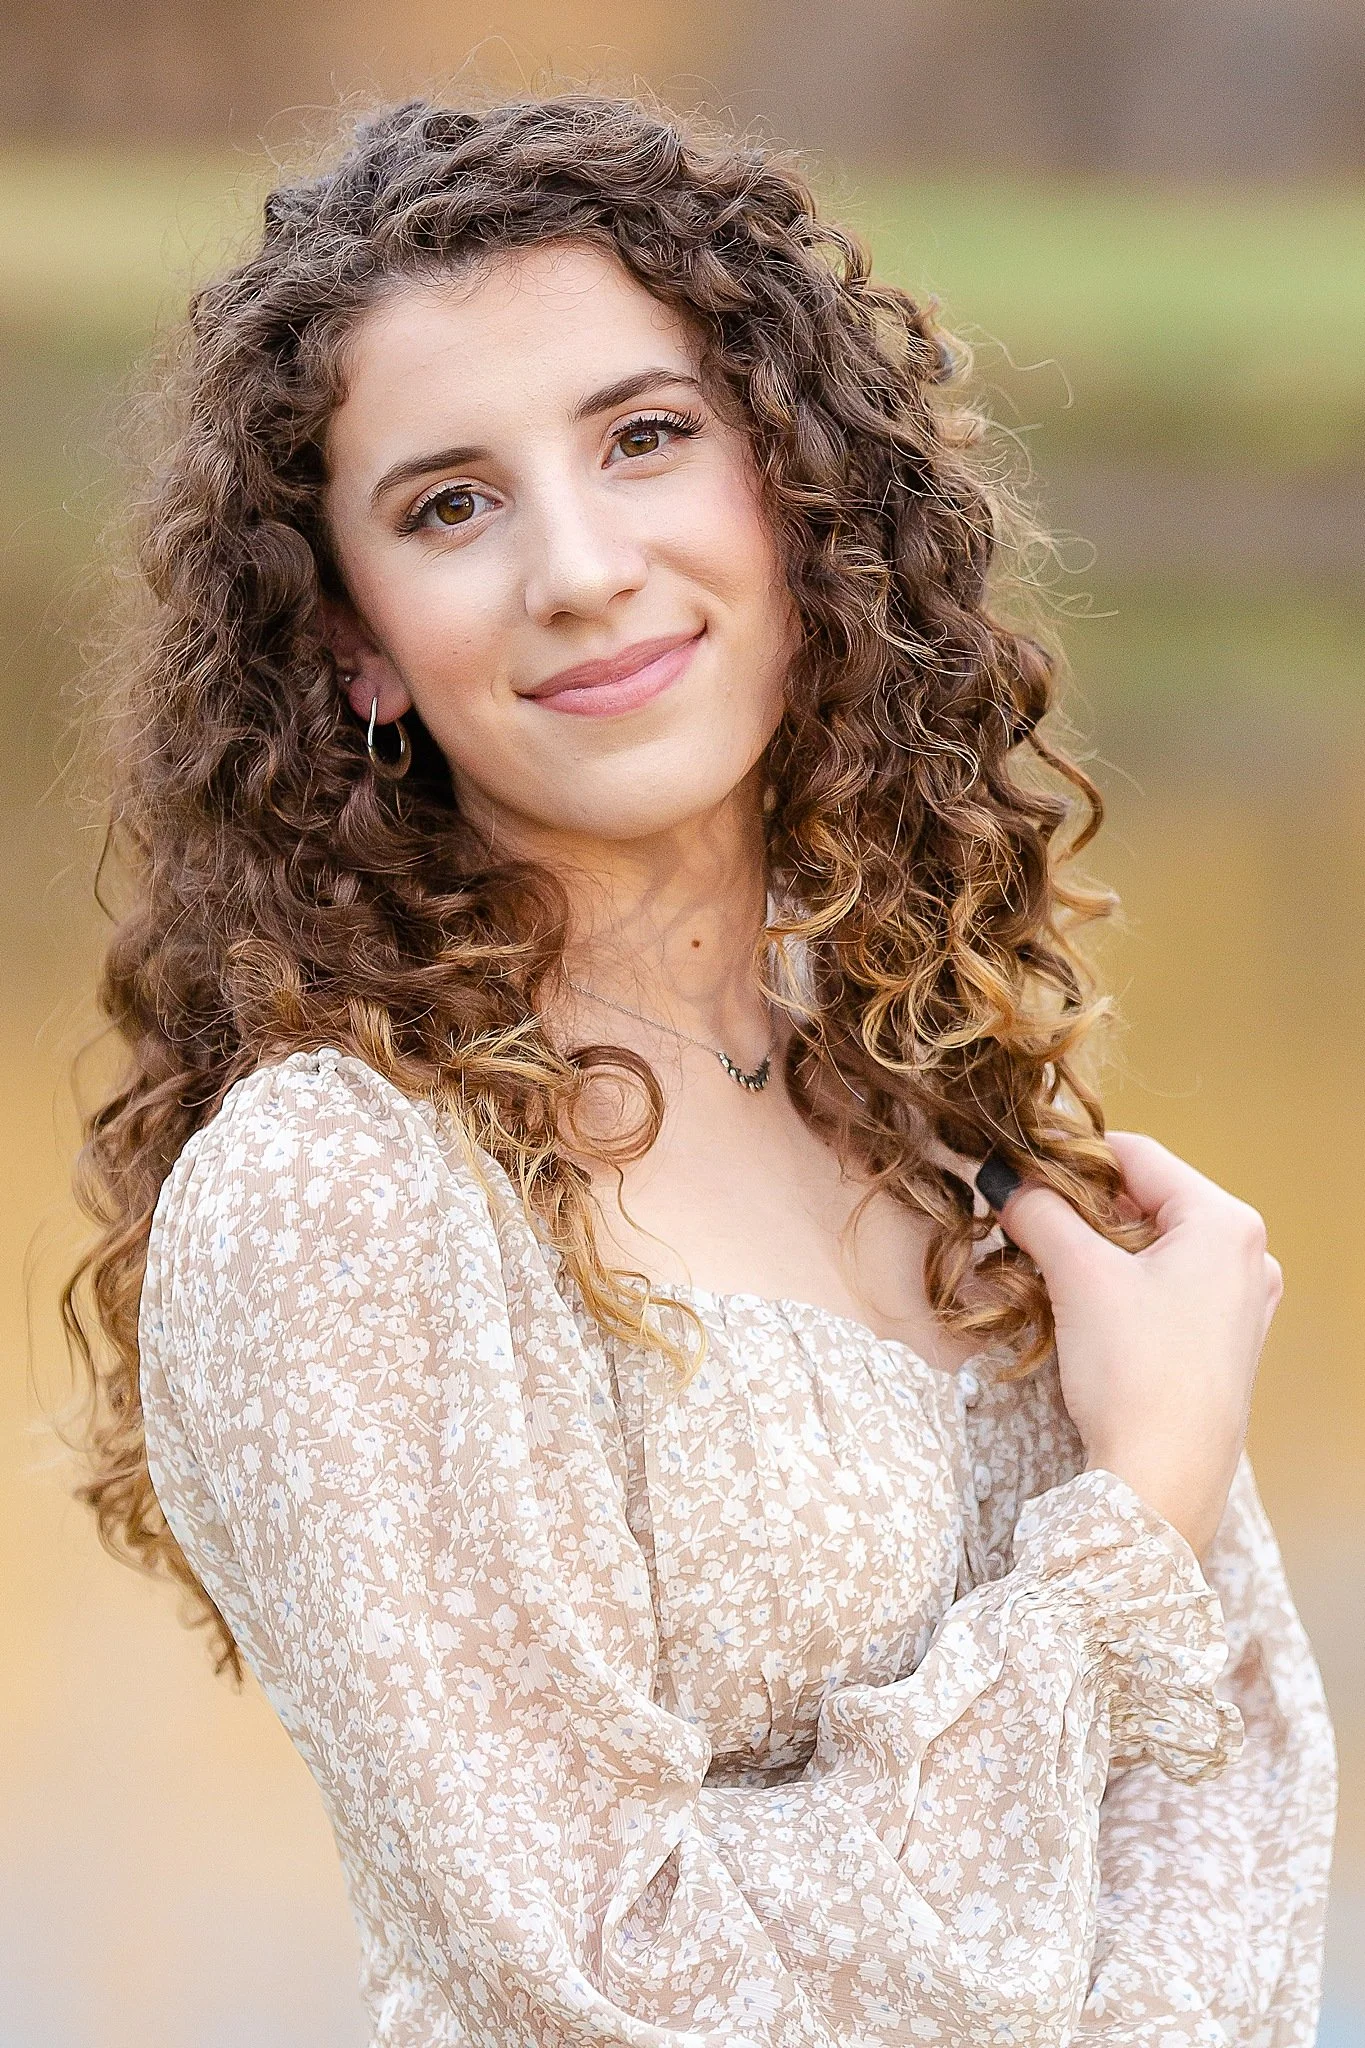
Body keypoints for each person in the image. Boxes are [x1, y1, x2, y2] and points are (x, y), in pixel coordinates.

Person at [66, 93, 1336, 2046]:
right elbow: (605, 1983)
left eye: (643, 438)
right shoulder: (346, 1193)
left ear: (795, 489)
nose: (577, 567)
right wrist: (1132, 1527)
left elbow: (1235, 1833)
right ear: (357, 645)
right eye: (448, 504)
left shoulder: (944, 1106)